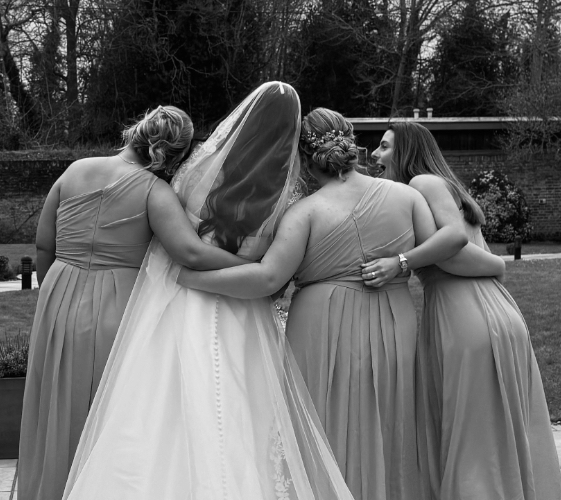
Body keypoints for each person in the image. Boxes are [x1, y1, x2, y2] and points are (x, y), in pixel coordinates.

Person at [178, 108, 506, 500]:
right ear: (351, 145)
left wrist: (193, 278)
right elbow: (450, 244)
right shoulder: (407, 197)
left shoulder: (304, 212)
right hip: (393, 321)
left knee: (320, 423)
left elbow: (267, 279)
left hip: (320, 324)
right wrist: (407, 262)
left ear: (304, 158)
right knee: (389, 420)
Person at [61, 82, 358, 500]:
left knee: (158, 403)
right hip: (243, 307)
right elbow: (274, 270)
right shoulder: (287, 193)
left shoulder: (199, 166)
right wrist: (255, 269)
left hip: (180, 297)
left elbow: (172, 238)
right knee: (239, 407)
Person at [17, 106, 250, 500]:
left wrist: (50, 294)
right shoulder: (153, 191)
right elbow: (190, 253)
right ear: (175, 153)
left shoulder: (75, 170)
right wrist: (250, 265)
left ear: (137, 131)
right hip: (117, 304)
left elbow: (44, 244)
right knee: (108, 411)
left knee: (55, 401)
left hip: (57, 294)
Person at [371, 121, 561, 499]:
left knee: (473, 441)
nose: (376, 155)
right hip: (481, 308)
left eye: (384, 146)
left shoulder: (423, 182)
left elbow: (455, 247)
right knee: (488, 433)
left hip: (466, 313)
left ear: (407, 152)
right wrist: (494, 265)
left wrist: (401, 262)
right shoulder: (425, 191)